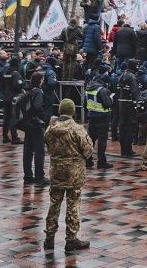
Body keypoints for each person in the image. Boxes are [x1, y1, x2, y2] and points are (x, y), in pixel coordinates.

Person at [43, 98, 93, 252]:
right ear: (73, 112)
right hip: (74, 173)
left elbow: (48, 145)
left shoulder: (50, 128)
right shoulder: (77, 129)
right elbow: (88, 150)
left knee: (54, 204)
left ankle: (49, 238)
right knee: (73, 204)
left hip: (56, 171)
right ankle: (71, 239)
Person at [19, 72, 48, 185]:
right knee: (39, 151)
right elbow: (37, 106)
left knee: (28, 150)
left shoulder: (27, 90)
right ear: (40, 80)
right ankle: (39, 176)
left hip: (27, 123)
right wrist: (42, 117)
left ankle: (28, 175)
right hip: (36, 123)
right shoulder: (38, 92)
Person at [84, 65, 113, 170]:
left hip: (92, 116)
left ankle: (88, 160)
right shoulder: (102, 90)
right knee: (102, 140)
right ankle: (101, 161)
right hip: (102, 117)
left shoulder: (88, 89)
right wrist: (111, 98)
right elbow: (107, 104)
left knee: (91, 139)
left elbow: (85, 104)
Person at [116, 59, 140, 158]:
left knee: (122, 128)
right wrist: (137, 105)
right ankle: (128, 150)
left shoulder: (121, 75)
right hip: (129, 105)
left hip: (121, 104)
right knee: (129, 128)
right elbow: (135, 92)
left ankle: (123, 150)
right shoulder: (132, 77)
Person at [0, 57, 22, 144]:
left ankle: (5, 136)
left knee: (6, 118)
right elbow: (17, 85)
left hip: (6, 97)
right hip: (14, 98)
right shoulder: (16, 73)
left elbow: (1, 85)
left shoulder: (5, 73)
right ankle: (14, 137)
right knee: (14, 118)